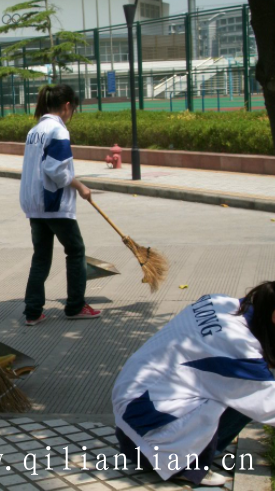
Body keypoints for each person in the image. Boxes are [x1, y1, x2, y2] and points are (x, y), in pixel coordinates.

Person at [112, 282, 275, 487]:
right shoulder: (238, 351)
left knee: (243, 387)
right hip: (150, 441)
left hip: (133, 417)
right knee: (248, 393)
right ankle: (187, 467)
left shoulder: (219, 302)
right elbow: (270, 405)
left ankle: (193, 448)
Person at [19, 84, 100, 326]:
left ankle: (32, 311)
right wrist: (81, 186)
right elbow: (56, 170)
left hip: (35, 205)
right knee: (75, 250)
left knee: (41, 256)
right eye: (73, 109)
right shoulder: (58, 131)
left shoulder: (35, 130)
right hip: (53, 203)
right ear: (67, 106)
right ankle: (75, 305)